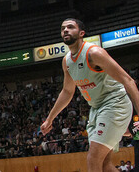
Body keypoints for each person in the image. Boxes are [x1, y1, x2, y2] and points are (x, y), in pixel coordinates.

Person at [40, 18, 139, 172]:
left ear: (81, 33)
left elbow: (128, 80)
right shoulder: (66, 61)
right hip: (96, 109)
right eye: (63, 28)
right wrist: (50, 119)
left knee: (93, 159)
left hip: (114, 103)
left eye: (70, 27)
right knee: (105, 165)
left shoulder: (94, 53)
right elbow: (67, 92)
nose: (65, 30)